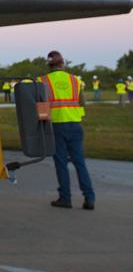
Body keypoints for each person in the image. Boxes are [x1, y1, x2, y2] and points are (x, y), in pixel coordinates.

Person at [42, 51, 95, 210]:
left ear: (49, 65)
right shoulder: (75, 80)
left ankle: (65, 198)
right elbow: (82, 103)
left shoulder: (43, 81)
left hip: (57, 125)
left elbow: (41, 106)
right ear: (63, 64)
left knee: (61, 163)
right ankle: (89, 198)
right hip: (75, 125)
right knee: (80, 163)